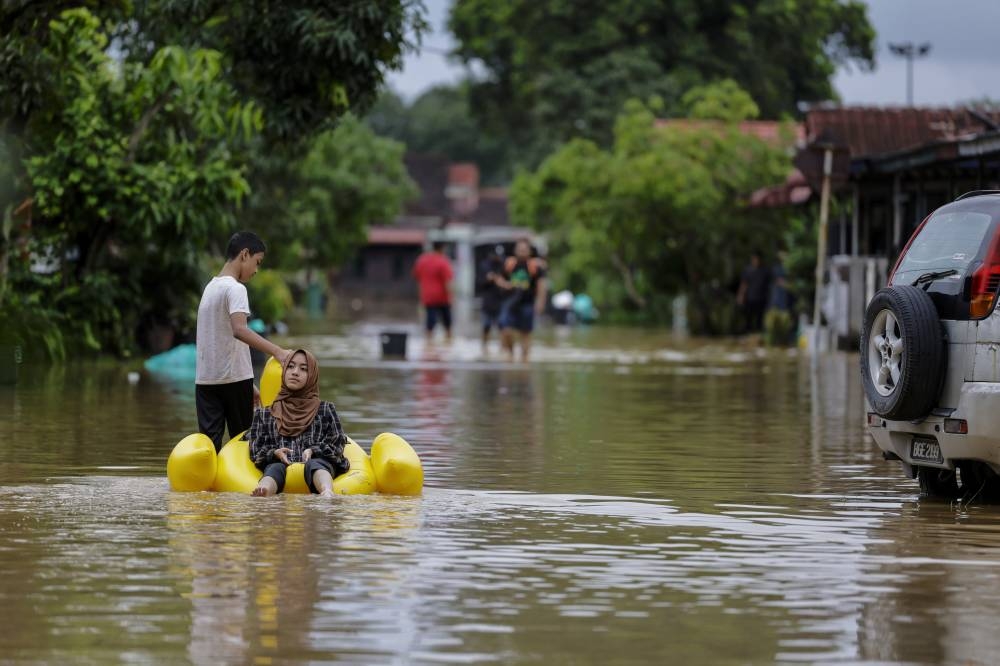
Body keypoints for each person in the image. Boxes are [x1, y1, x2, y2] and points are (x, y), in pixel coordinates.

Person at [196, 231, 291, 451]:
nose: (256, 270)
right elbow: (239, 330)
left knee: (210, 450)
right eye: (257, 262)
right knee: (244, 448)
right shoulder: (236, 288)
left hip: (206, 381)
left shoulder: (210, 288)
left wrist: (249, 383)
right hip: (233, 382)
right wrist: (278, 352)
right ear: (244, 254)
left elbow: (220, 339)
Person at [248, 349, 349, 498]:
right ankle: (264, 490)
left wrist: (314, 450)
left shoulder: (326, 409)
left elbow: (337, 442)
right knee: (274, 469)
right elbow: (256, 449)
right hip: (279, 464)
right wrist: (275, 452)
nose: (295, 372)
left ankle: (327, 491)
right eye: (290, 367)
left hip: (318, 461)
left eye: (303, 369)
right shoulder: (264, 414)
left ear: (312, 376)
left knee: (316, 464)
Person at [499, 238, 547, 361]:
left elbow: (542, 285)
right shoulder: (509, 264)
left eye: (524, 250)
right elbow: (499, 278)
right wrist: (506, 285)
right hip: (510, 303)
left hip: (527, 303)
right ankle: (511, 355)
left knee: (525, 333)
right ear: (515, 251)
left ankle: (525, 359)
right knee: (506, 330)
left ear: (529, 252)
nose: (522, 252)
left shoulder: (535, 266)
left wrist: (540, 303)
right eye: (519, 249)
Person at [412, 241, 454, 341]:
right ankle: (448, 341)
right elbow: (448, 282)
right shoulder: (443, 261)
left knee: (430, 321)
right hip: (443, 297)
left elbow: (416, 276)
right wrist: (452, 296)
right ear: (442, 249)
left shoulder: (422, 260)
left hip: (427, 296)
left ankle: (428, 342)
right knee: (447, 322)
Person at [479, 252, 509, 354]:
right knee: (486, 326)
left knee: (503, 326)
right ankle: (484, 348)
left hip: (501, 301)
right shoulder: (484, 266)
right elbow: (479, 283)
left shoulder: (505, 266)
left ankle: (503, 349)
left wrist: (501, 282)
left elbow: (509, 284)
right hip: (487, 302)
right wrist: (489, 279)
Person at [736, 250, 771, 333]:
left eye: (757, 259)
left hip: (761, 299)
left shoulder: (765, 271)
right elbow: (744, 284)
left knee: (760, 320)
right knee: (748, 319)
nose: (756, 261)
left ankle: (759, 335)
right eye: (754, 259)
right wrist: (740, 296)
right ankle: (747, 333)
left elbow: (769, 286)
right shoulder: (748, 270)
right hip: (750, 298)